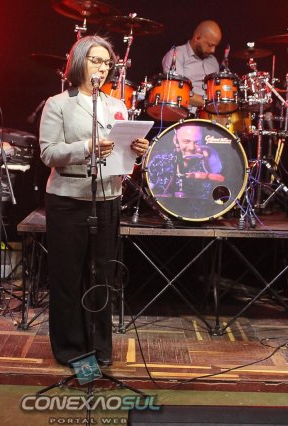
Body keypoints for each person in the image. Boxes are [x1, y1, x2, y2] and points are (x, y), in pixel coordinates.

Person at [39, 35, 149, 366]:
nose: (102, 67)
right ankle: (70, 349)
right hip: (69, 199)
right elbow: (48, 153)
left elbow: (123, 155)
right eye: (95, 60)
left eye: (107, 62)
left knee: (103, 275)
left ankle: (100, 348)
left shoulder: (117, 105)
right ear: (79, 62)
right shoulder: (58, 103)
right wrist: (86, 147)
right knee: (68, 277)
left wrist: (136, 151)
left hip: (107, 196)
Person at [161, 20, 222, 110]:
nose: (213, 50)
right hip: (186, 114)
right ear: (197, 38)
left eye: (215, 46)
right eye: (210, 45)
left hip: (212, 114)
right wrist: (209, 103)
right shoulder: (177, 55)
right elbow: (178, 92)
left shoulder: (213, 61)